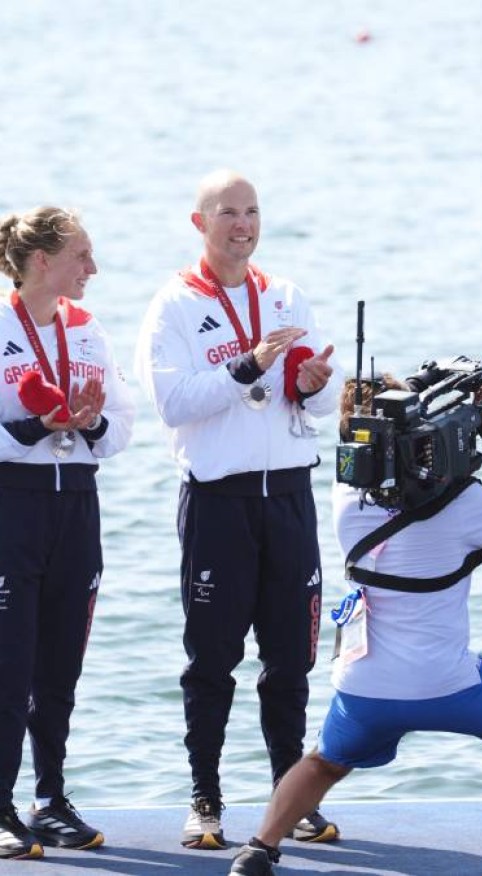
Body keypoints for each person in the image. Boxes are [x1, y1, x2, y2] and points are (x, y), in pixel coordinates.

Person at [227, 377, 482, 876]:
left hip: (366, 686)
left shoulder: (344, 496)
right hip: (450, 684)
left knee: (323, 762)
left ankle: (257, 851)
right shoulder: (464, 502)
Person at [135, 170, 342, 849]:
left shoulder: (285, 295)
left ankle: (291, 796)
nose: (242, 224)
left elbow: (317, 404)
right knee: (212, 660)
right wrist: (247, 367)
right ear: (201, 223)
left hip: (288, 494)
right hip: (218, 501)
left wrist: (312, 384)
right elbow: (174, 404)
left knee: (290, 660)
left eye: (251, 211)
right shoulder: (172, 306)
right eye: (227, 212)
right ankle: (206, 798)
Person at [0, 207, 134, 859]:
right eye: (83, 255)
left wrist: (86, 424)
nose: (94, 269)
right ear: (43, 261)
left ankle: (49, 800)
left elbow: (124, 425)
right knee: (8, 664)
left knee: (60, 666)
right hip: (11, 508)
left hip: (76, 506)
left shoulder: (89, 332)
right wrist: (36, 427)